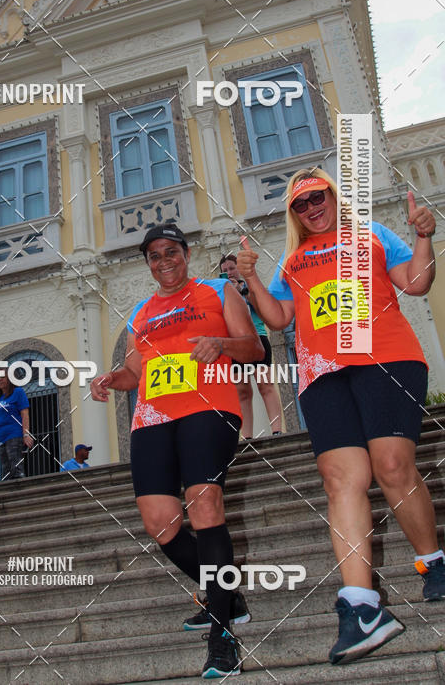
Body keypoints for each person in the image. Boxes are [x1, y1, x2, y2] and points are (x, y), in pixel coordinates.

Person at [236, 168, 441, 665]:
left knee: (391, 465)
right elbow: (280, 318)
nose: (311, 209)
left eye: (317, 197)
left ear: (332, 195)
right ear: (294, 214)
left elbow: (415, 283)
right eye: (300, 205)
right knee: (339, 480)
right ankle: (362, 606)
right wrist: (251, 278)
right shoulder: (293, 260)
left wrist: (423, 237)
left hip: (385, 358)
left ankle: (432, 561)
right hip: (322, 373)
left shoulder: (370, 234)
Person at [90, 223, 264, 678]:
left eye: (171, 251)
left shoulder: (218, 290)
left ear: (186, 253)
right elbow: (134, 372)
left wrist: (221, 344)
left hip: (209, 406)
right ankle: (227, 595)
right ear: (148, 263)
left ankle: (222, 634)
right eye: (154, 255)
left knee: (204, 502)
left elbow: (254, 348)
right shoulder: (142, 312)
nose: (164, 260)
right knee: (159, 523)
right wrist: (111, 379)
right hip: (152, 417)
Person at [219, 253, 283, 437]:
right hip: (236, 344)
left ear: (238, 269)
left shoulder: (250, 287)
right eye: (225, 271)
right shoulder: (222, 292)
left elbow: (262, 309)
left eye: (232, 268)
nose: (229, 272)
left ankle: (277, 430)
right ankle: (247, 436)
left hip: (258, 339)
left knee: (265, 385)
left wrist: (243, 291)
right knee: (242, 390)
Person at [0, 370, 33, 480]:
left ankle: (21, 493)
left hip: (14, 435)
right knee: (6, 473)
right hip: (1, 440)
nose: (0, 380)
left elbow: (25, 414)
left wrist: (26, 434)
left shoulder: (18, 392)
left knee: (16, 468)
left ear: (10, 379)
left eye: (3, 377)